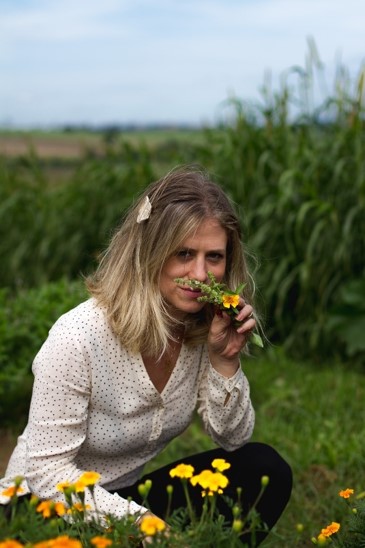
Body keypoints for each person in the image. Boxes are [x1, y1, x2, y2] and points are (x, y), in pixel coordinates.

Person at [0, 165, 292, 546]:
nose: (201, 273)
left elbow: (234, 440)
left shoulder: (204, 329)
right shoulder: (78, 337)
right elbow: (44, 470)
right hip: (43, 508)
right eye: (184, 253)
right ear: (150, 251)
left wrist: (224, 362)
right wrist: (141, 523)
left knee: (263, 468)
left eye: (214, 257)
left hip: (122, 499)